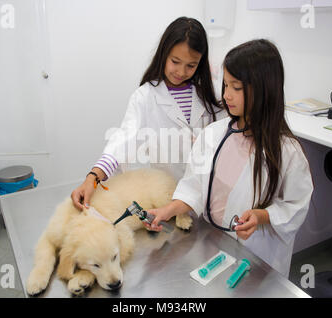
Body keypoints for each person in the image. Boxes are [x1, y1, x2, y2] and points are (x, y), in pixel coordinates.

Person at [147, 39, 314, 278]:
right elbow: (194, 186)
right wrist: (168, 210)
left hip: (256, 256)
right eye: (225, 85)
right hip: (212, 244)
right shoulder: (213, 134)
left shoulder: (287, 152)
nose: (226, 95)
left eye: (236, 87)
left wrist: (261, 215)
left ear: (265, 88)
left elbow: (296, 206)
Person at [71, 17, 225, 211]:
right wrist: (92, 179)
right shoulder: (145, 97)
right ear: (164, 54)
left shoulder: (211, 99)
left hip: (206, 201)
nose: (181, 71)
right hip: (165, 200)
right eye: (175, 61)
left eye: (191, 65)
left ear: (200, 63)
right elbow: (122, 142)